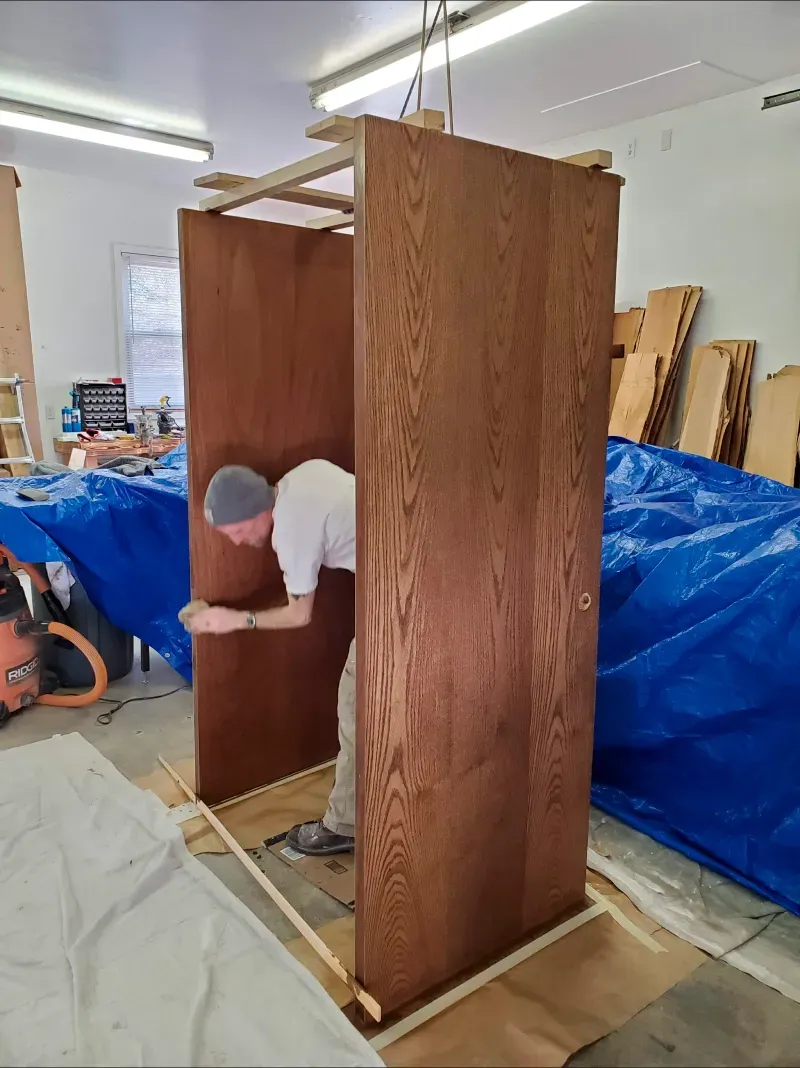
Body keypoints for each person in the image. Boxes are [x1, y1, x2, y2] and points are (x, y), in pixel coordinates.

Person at [186, 461, 355, 856]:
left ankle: (345, 825)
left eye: (241, 532)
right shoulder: (306, 473)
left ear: (261, 510)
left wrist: (234, 620)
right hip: (411, 555)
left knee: (355, 703)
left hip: (406, 579)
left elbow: (299, 614)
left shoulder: (290, 532)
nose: (240, 543)